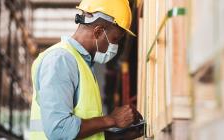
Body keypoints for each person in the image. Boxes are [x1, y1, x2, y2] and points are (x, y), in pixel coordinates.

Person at [29, 0, 142, 139]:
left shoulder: (82, 63)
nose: (115, 47)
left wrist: (122, 136)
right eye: (115, 39)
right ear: (98, 31)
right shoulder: (60, 60)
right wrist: (112, 120)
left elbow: (85, 133)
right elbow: (59, 130)